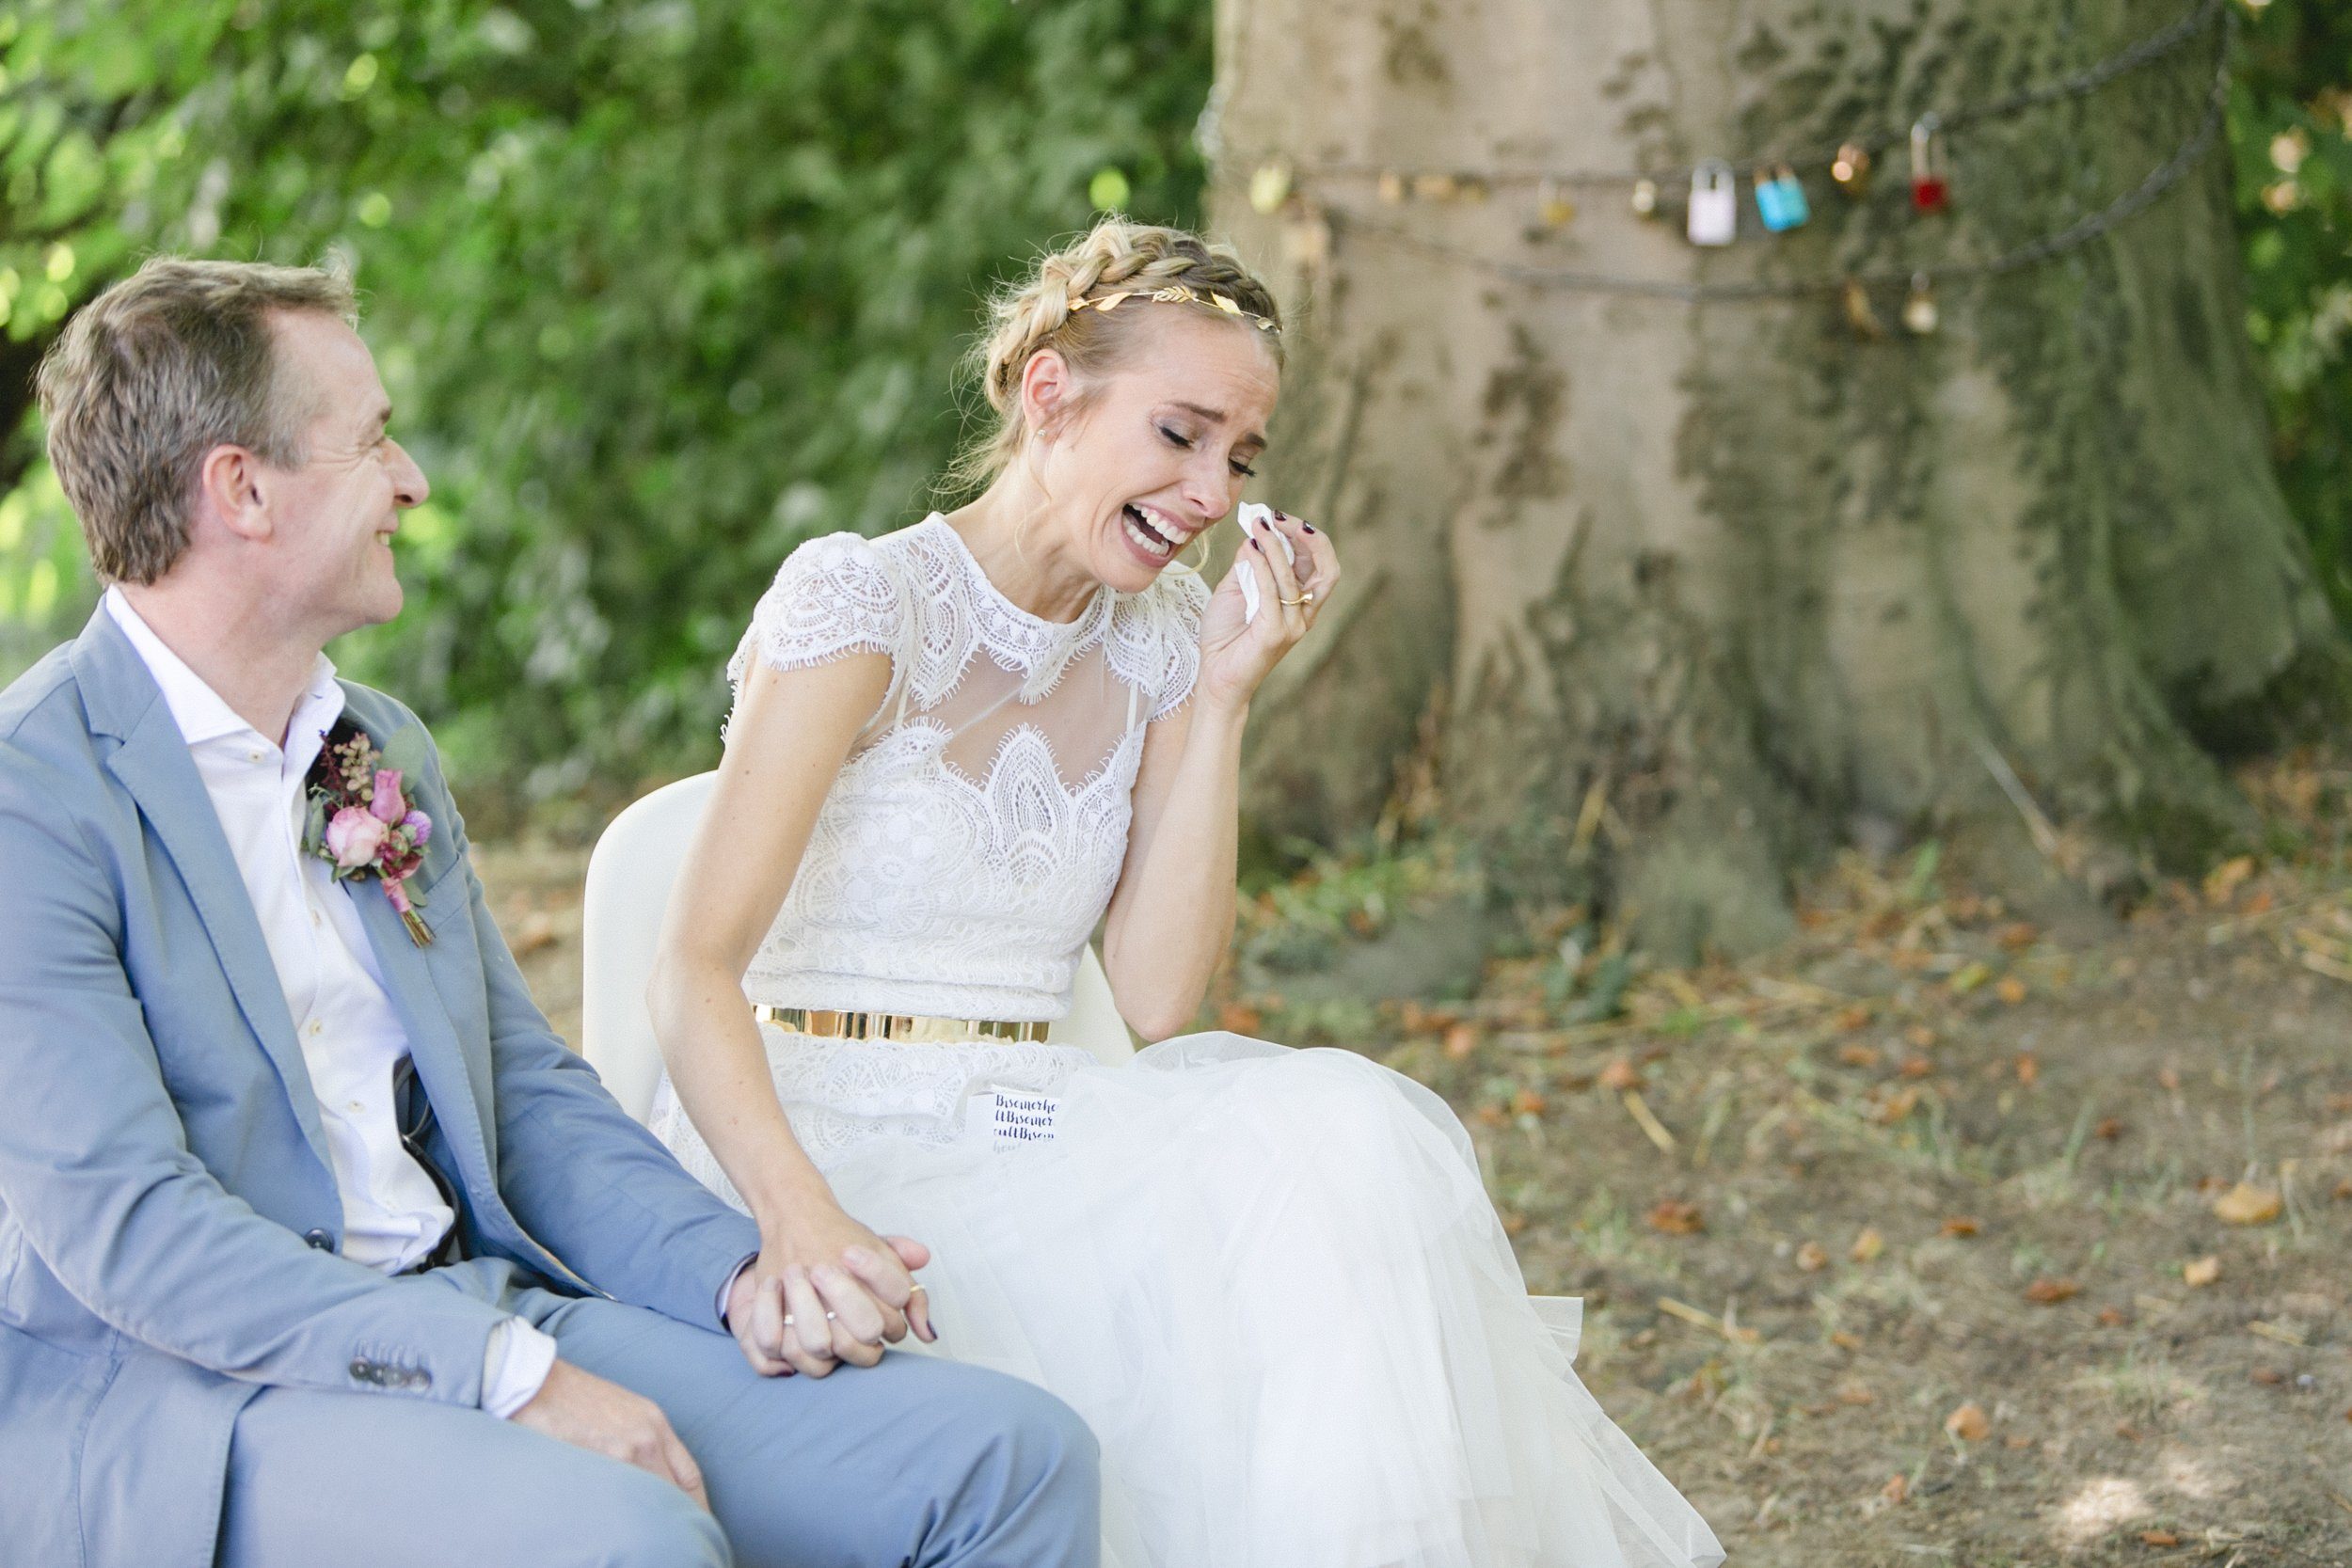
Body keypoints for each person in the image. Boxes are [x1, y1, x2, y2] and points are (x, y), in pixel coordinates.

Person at [647, 219, 1727, 1568]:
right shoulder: (868, 604)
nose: (1213, 493)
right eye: (1180, 435)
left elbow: (1157, 998)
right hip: (818, 1135)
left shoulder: (1159, 641)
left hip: (1038, 1125)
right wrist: (797, 1214)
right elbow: (692, 966)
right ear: (1051, 395)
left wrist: (1224, 695)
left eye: (1240, 458)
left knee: (1345, 1143)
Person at [0, 257, 1101, 1568]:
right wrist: (503, 1373)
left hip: (472, 1302)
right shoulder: (34, 795)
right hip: (201, 1402)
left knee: (1010, 1461)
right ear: (242, 489)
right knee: (626, 1539)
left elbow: (518, 1094)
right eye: (371, 441)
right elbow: (133, 1233)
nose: (410, 479)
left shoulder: (376, 750)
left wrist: (743, 1276)